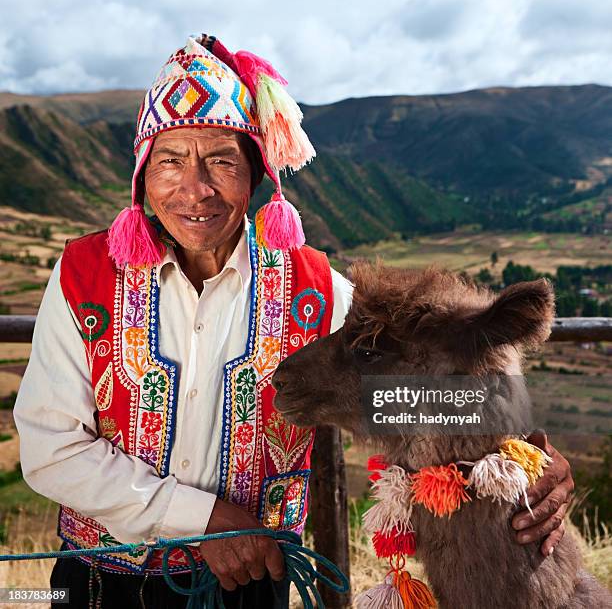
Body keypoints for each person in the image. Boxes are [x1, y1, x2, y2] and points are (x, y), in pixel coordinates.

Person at [13, 33, 574, 609]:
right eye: (170, 161)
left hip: (250, 587)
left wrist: (531, 458)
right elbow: (50, 446)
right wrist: (203, 519)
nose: (195, 189)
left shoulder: (317, 290)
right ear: (142, 176)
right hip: (99, 587)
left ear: (255, 174)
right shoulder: (86, 275)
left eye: (222, 161)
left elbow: (419, 376)